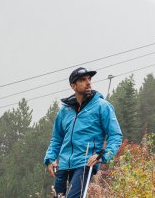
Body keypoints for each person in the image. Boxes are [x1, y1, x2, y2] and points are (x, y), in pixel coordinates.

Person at [43, 68, 123, 198]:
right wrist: (50, 159)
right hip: (63, 165)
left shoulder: (102, 106)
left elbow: (116, 135)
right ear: (73, 86)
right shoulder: (64, 110)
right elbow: (57, 138)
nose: (88, 83)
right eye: (83, 80)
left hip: (85, 163)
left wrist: (102, 155)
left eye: (89, 79)